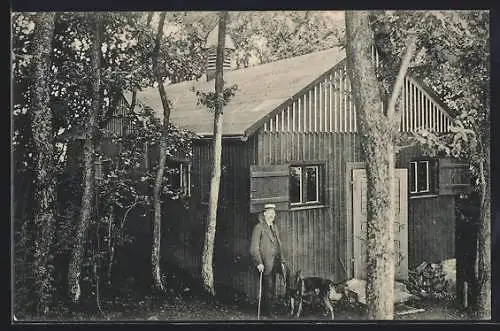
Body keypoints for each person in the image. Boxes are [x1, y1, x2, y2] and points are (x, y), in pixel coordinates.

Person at [249, 203, 284, 318]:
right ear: (264, 214)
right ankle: (268, 313)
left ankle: (268, 310)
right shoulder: (258, 227)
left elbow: (278, 244)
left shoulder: (274, 227)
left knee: (272, 288)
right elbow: (254, 248)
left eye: (273, 213)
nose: (272, 215)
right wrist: (259, 262)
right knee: (268, 288)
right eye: (269, 212)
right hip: (264, 264)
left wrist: (281, 259)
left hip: (275, 263)